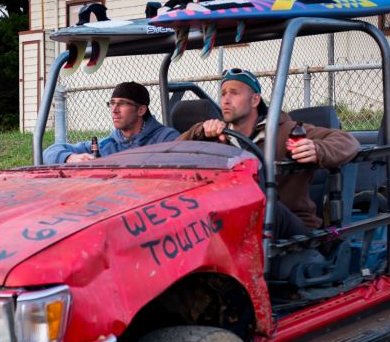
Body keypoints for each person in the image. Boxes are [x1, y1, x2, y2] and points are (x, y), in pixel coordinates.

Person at [178, 68, 360, 238]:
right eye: (223, 93)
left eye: (234, 93)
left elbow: (348, 141)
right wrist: (199, 131)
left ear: (255, 100)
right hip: (235, 224)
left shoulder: (288, 131)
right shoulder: (218, 136)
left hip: (291, 226)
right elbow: (171, 152)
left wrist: (318, 149)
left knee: (262, 205)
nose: (225, 100)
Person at [43, 81, 179, 164]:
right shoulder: (106, 145)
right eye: (112, 103)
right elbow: (50, 152)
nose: (114, 110)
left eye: (122, 104)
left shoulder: (166, 139)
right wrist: (69, 157)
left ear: (141, 110)